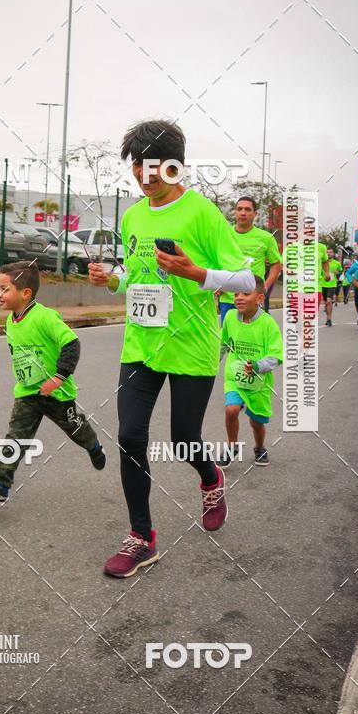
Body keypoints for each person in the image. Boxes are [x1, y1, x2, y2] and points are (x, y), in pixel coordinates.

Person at [88, 120, 254, 578]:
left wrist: (196, 273)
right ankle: (142, 537)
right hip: (140, 344)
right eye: (138, 165)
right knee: (130, 435)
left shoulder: (202, 214)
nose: (145, 175)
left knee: (184, 440)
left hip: (192, 347)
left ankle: (211, 479)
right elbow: (133, 273)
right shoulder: (133, 215)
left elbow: (246, 280)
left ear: (176, 166)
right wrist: (111, 279)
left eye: (155, 166)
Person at [0, 262, 105, 505]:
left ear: (25, 293)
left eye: (5, 289)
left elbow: (72, 344)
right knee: (16, 437)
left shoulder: (45, 317)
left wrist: (58, 378)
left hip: (57, 393)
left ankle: (94, 445)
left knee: (75, 430)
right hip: (27, 392)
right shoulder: (10, 321)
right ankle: (0, 486)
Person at [220, 277, 283, 466]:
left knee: (257, 423)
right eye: (236, 293)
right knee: (231, 410)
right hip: (235, 378)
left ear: (260, 298)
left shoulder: (267, 324)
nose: (239, 298)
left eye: (246, 294)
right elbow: (222, 344)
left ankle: (259, 447)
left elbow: (276, 355)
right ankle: (232, 446)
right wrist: (211, 363)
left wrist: (257, 366)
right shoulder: (230, 317)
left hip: (259, 383)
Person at [217, 196, 282, 323]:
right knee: (229, 340)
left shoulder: (266, 238)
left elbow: (276, 264)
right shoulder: (223, 235)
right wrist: (216, 284)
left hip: (253, 299)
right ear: (235, 212)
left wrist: (265, 286)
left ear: (255, 214)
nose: (243, 213)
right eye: (239, 209)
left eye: (247, 209)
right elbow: (213, 260)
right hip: (228, 299)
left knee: (252, 340)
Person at [320, 248, 343, 327]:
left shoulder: (337, 263)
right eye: (327, 252)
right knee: (326, 302)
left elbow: (341, 272)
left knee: (329, 301)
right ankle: (327, 317)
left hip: (332, 285)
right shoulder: (321, 263)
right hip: (322, 284)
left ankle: (329, 319)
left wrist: (338, 273)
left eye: (330, 252)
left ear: (333, 254)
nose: (329, 253)